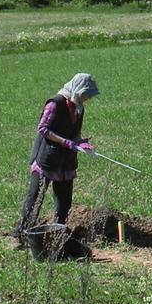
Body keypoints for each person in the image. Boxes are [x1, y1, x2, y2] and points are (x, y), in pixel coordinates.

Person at [13, 73, 99, 247]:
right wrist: (64, 141)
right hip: (47, 159)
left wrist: (81, 142)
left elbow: (74, 132)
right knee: (35, 198)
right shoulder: (55, 103)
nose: (87, 98)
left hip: (65, 161)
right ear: (76, 89)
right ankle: (20, 235)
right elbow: (43, 128)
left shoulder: (79, 108)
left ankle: (58, 235)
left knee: (64, 201)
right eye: (85, 94)